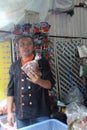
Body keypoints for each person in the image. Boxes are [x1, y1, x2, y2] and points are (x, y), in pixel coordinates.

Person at [7, 35, 55, 129]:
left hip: (41, 113)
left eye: (28, 44)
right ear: (18, 49)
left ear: (33, 47)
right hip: (22, 115)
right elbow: (10, 90)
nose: (25, 47)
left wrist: (39, 81)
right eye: (22, 45)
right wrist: (9, 112)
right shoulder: (14, 66)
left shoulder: (42, 62)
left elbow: (50, 84)